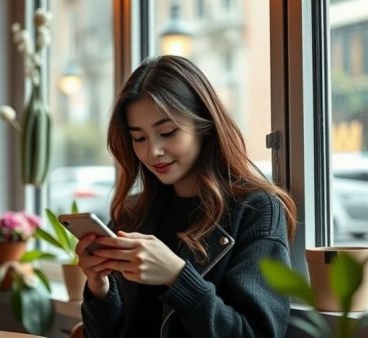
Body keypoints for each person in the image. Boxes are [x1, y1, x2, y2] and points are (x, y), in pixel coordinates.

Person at [75, 55, 297, 338]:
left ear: (204, 125)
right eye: (139, 138)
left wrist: (177, 277)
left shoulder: (256, 210)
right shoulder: (131, 213)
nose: (153, 151)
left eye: (167, 132)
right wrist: (99, 286)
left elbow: (256, 334)